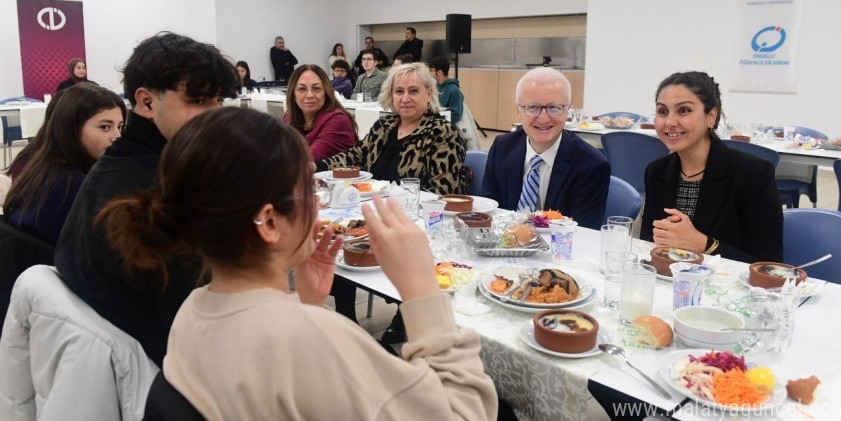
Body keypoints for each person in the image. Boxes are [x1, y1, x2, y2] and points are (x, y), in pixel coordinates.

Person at [98, 107, 497, 420]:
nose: (318, 204)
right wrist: (421, 288)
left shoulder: (194, 308)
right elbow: (466, 411)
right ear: (270, 222)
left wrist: (307, 303)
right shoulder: (312, 340)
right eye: (309, 190)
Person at [53, 32, 239, 367]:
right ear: (147, 102)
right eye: (198, 101)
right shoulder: (161, 195)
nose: (215, 116)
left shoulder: (110, 169)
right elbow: (200, 324)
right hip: (165, 371)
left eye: (219, 101)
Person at [317, 63, 466, 341]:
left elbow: (443, 191)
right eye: (399, 91)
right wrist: (317, 165)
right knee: (334, 239)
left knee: (346, 240)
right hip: (371, 217)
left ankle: (404, 316)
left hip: (412, 225)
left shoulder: (443, 133)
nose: (405, 98)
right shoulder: (385, 125)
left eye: (413, 91)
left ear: (429, 93)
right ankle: (347, 317)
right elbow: (354, 156)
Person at [640, 71, 783, 263]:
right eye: (662, 111)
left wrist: (705, 245)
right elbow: (648, 241)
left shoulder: (753, 174)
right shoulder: (656, 171)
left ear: (711, 117)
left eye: (684, 111)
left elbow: (768, 263)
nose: (670, 122)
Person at [482, 67, 610, 230]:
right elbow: (490, 213)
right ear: (518, 111)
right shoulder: (501, 148)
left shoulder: (592, 165)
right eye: (532, 107)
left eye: (554, 108)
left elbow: (582, 235)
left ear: (567, 111)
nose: (543, 118)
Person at [3, 84, 125, 245]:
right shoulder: (73, 185)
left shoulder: (41, 164)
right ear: (72, 129)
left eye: (120, 127)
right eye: (104, 127)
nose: (117, 137)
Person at [284, 64, 358, 160]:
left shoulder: (338, 120)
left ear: (326, 92)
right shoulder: (289, 117)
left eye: (316, 88)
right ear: (293, 94)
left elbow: (307, 160)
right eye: (302, 89)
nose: (309, 95)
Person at [428, 56, 463, 124]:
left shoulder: (454, 90)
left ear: (439, 72)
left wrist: (436, 116)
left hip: (446, 128)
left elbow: (456, 115)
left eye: (431, 71)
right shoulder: (434, 87)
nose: (430, 74)